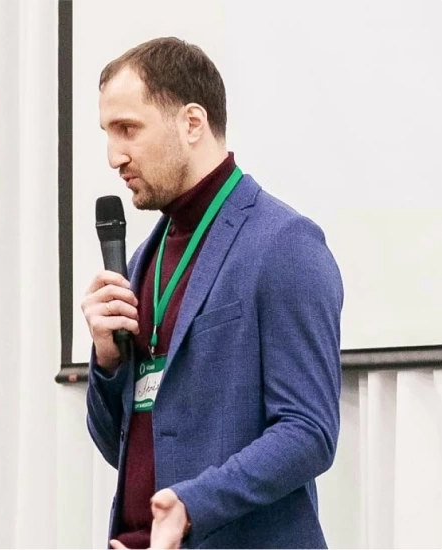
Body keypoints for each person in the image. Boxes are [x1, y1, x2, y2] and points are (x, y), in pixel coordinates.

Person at [83, 37, 344, 550]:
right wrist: (108, 360)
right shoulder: (142, 262)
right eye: (107, 134)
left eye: (128, 129)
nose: (114, 156)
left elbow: (308, 432)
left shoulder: (284, 244)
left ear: (192, 123)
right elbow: (123, 445)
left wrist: (194, 505)